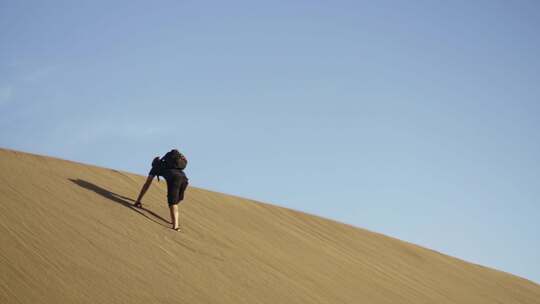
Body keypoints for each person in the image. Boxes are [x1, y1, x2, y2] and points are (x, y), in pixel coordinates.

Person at [135, 149, 189, 231]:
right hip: (184, 179)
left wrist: (138, 200)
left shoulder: (155, 167)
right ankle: (175, 220)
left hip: (174, 179)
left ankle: (176, 227)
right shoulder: (169, 164)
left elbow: (147, 184)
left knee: (172, 202)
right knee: (178, 199)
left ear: (153, 164)